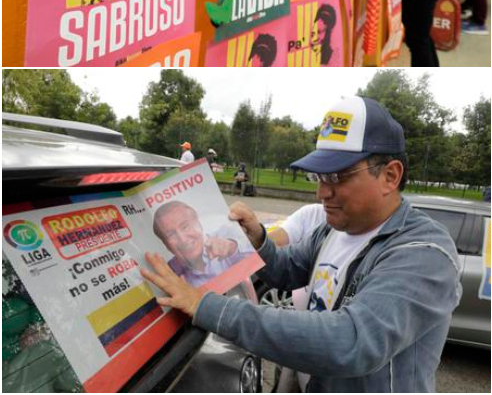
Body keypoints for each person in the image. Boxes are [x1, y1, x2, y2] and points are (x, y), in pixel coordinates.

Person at [140, 96, 461, 392]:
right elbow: (289, 270)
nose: (322, 193)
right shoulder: (335, 227)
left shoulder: (425, 252)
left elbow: (350, 342)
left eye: (337, 177)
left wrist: (204, 305)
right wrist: (259, 240)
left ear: (390, 176)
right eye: (319, 178)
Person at [151, 201, 249, 288]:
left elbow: (257, 258)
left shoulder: (227, 234)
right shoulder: (170, 273)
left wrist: (233, 248)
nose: (183, 239)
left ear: (199, 224)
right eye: (171, 234)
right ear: (166, 245)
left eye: (185, 227)